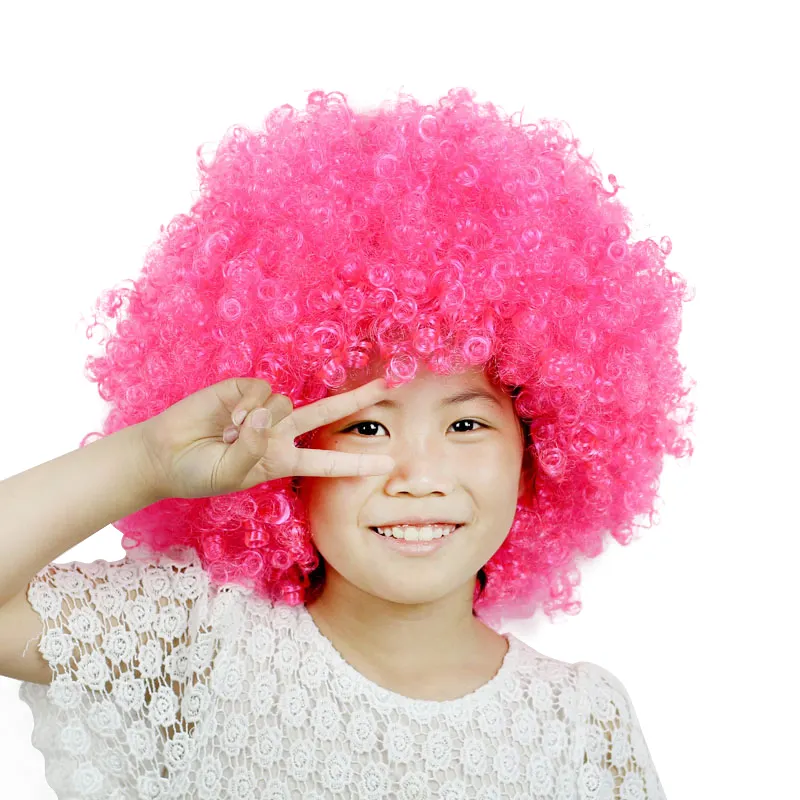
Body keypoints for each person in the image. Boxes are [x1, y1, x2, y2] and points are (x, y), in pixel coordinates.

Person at [0, 87, 693, 798]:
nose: (417, 474)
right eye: (367, 426)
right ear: (289, 470)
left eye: (465, 424)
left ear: (537, 454)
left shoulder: (578, 726)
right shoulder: (195, 645)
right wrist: (147, 461)